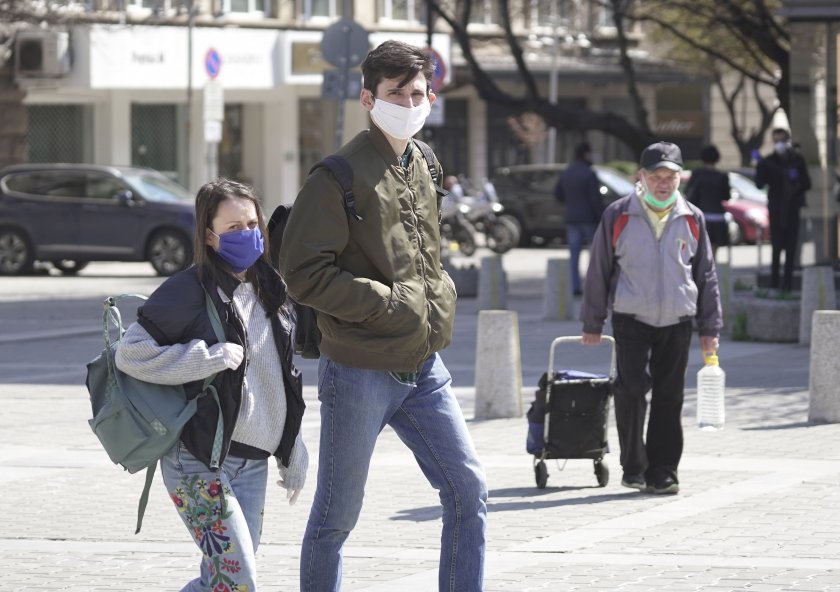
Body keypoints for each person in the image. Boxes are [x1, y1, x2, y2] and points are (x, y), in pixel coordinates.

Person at [278, 40, 488, 592]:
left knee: (468, 491)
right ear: (369, 98)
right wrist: (390, 303)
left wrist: (435, 293)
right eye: (397, 93)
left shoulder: (423, 160)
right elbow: (301, 272)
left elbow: (427, 254)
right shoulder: (336, 176)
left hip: (423, 365)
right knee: (336, 517)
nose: (410, 102)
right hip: (359, 370)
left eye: (418, 92)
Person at [115, 178, 308, 591]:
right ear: (209, 235)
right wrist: (205, 358)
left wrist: (291, 447)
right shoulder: (188, 289)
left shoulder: (271, 286)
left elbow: (280, 376)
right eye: (234, 227)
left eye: (252, 224)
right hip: (197, 461)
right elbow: (129, 353)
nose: (248, 234)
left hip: (252, 463)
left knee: (220, 581)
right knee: (238, 581)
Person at [580, 141, 722, 496]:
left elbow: (706, 275)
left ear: (680, 178)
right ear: (640, 177)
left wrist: (710, 327)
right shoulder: (619, 214)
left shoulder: (693, 217)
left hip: (677, 319)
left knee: (669, 396)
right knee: (630, 391)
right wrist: (592, 322)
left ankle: (663, 471)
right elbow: (599, 269)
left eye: (670, 176)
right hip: (631, 317)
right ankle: (634, 466)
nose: (663, 183)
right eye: (656, 175)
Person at [755, 127, 811, 291]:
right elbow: (760, 184)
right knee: (777, 246)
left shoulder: (797, 160)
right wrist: (760, 166)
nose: (779, 144)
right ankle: (774, 283)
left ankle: (787, 284)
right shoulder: (769, 161)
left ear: (787, 141)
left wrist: (797, 179)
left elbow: (807, 184)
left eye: (782, 141)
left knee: (791, 247)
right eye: (776, 141)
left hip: (792, 209)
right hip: (776, 209)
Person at [555, 141, 604, 296]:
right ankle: (592, 286)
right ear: (586, 154)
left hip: (572, 218)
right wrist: (601, 217)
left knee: (574, 255)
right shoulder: (589, 173)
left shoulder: (567, 172)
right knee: (594, 255)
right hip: (589, 219)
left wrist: (570, 203)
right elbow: (595, 199)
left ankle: (575, 286)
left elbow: (557, 193)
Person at [684, 144, 731, 257]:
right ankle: (710, 271)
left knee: (698, 249)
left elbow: (688, 191)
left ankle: (700, 272)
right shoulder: (722, 176)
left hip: (700, 215)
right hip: (718, 216)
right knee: (713, 250)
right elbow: (726, 196)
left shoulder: (697, 174)